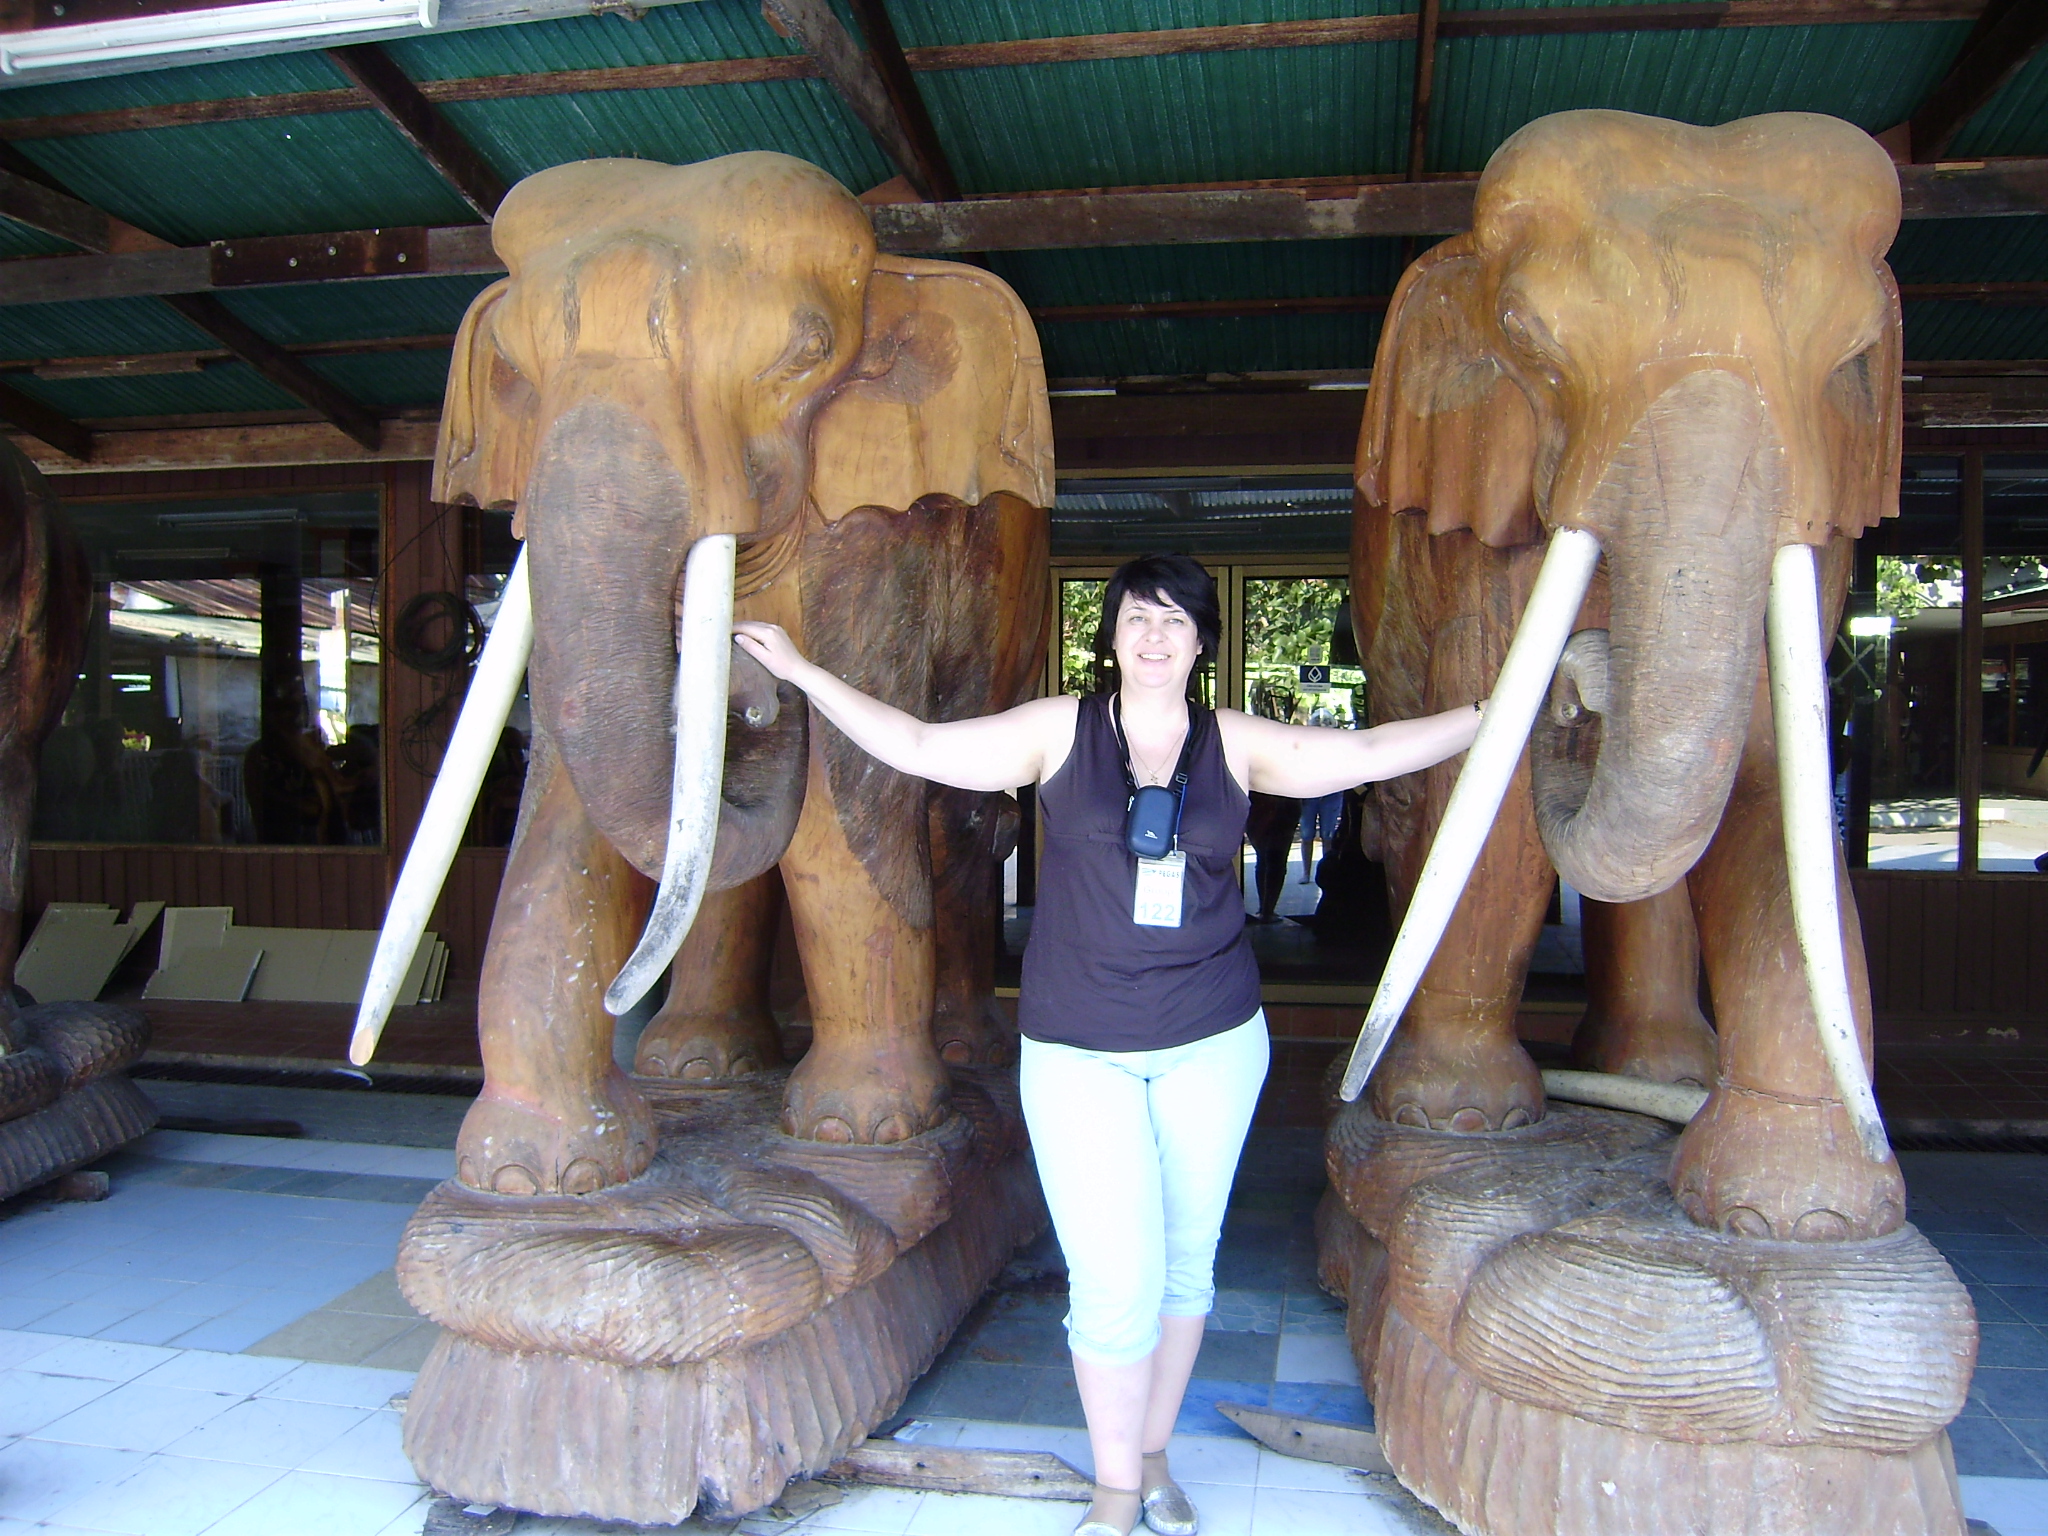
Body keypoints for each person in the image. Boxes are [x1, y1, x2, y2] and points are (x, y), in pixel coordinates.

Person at [735, 553, 1483, 1536]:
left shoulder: (1233, 743)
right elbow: (918, 743)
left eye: (1175, 619)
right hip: (1078, 1048)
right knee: (1111, 1281)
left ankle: (1151, 1458)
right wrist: (800, 673)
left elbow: (1373, 750)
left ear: (1202, 640)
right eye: (1137, 616)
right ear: (1112, 635)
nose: (1155, 634)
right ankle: (1114, 1493)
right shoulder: (1061, 730)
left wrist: (1490, 713)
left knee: (1184, 1269)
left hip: (1213, 1042)